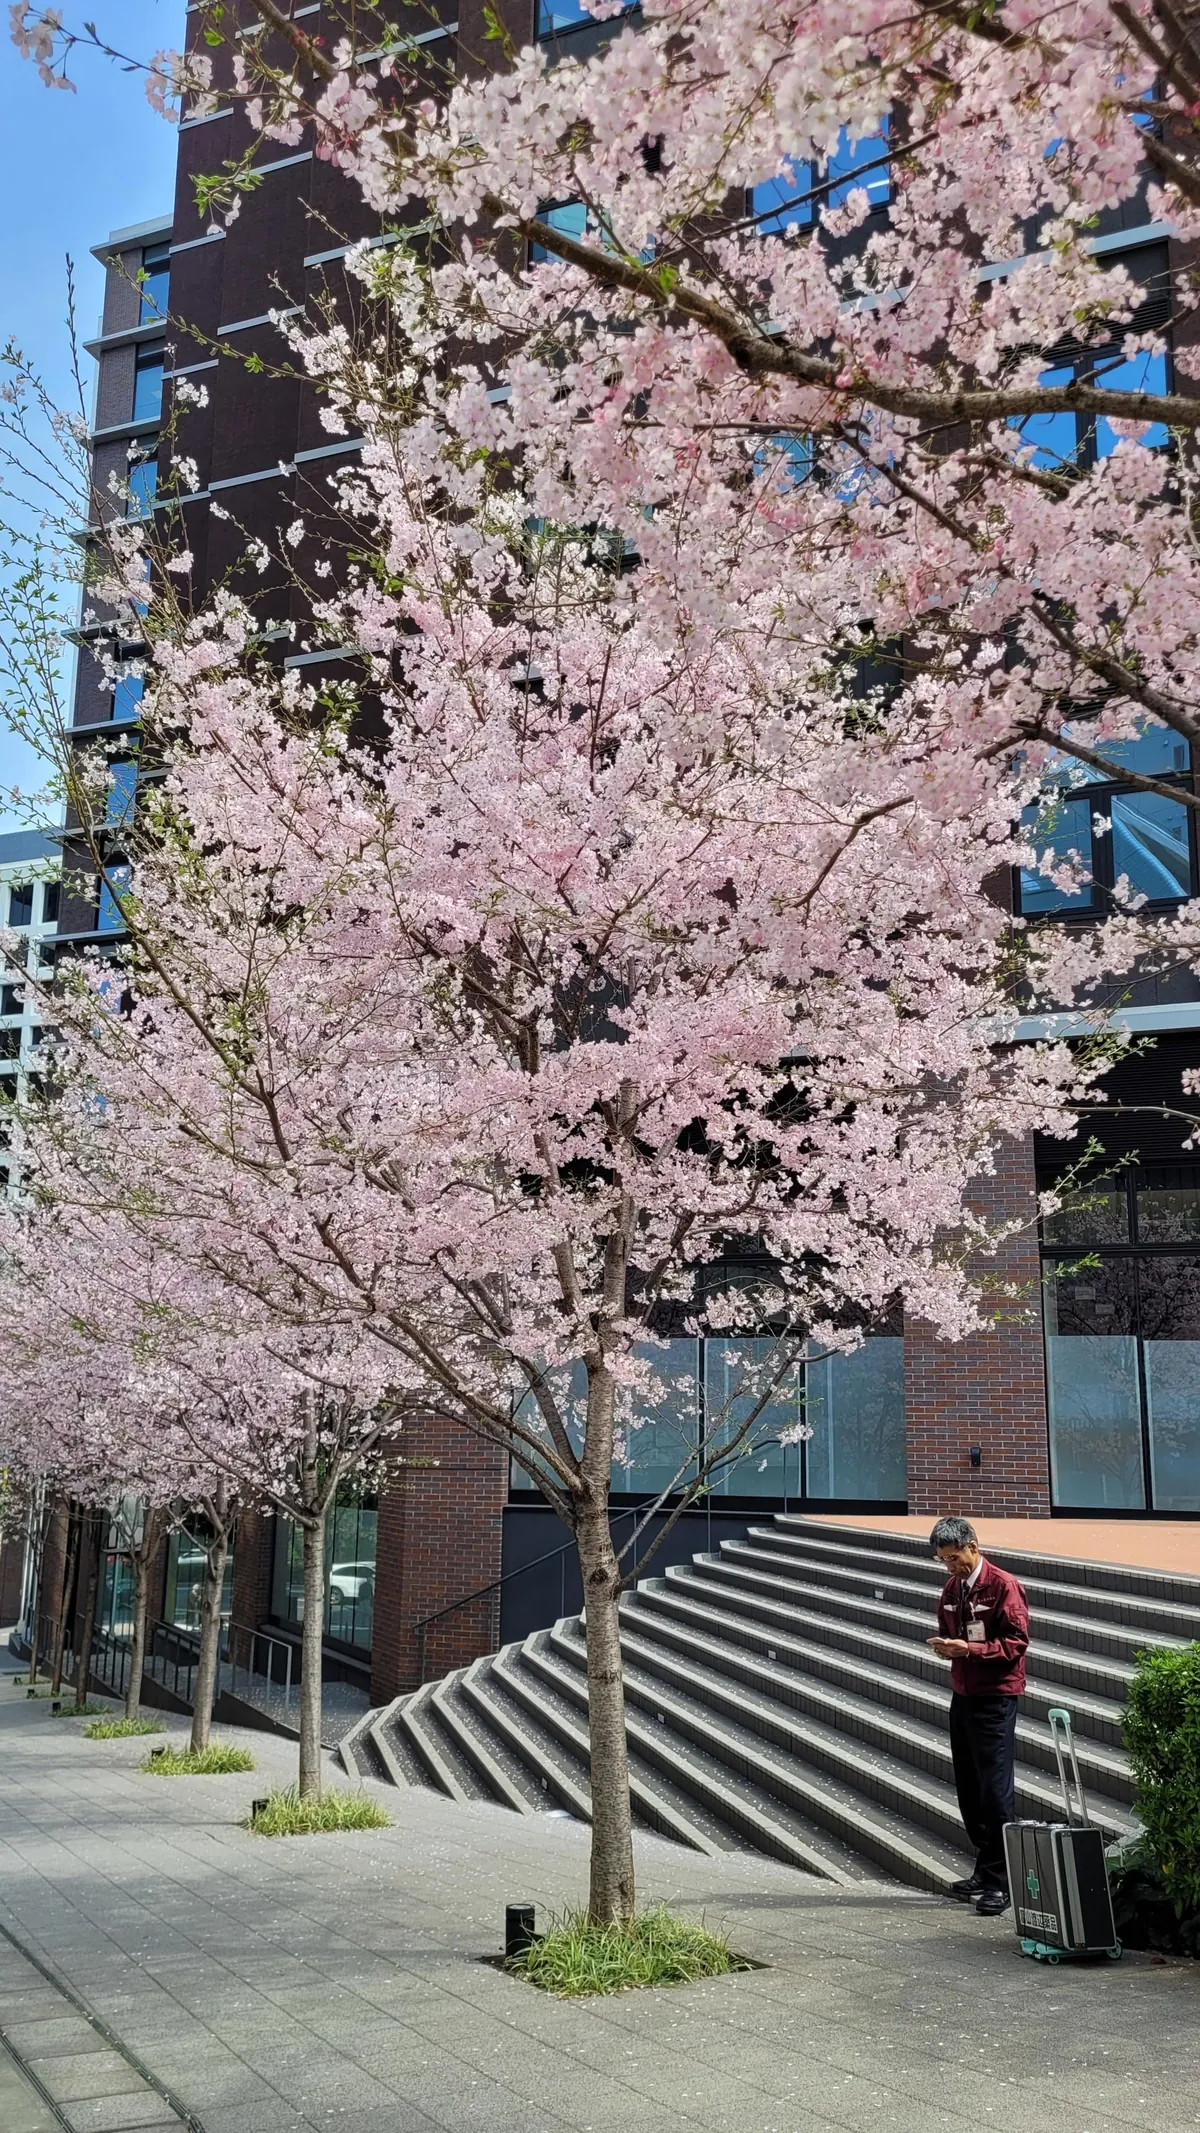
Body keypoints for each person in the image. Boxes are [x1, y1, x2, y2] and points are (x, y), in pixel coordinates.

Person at [928, 1514, 1029, 1917]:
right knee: (969, 1787)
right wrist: (948, 1648)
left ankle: (1001, 1881)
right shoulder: (952, 1589)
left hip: (996, 1697)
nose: (951, 1567)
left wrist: (970, 1651)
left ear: (973, 1545)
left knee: (994, 1790)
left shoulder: (1003, 1585)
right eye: (943, 1561)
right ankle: (984, 1870)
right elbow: (949, 1629)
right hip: (964, 1694)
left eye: (954, 1558)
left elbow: (1016, 1642)